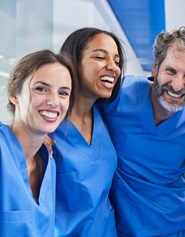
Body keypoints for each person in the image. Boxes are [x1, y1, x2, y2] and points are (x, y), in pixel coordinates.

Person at [101, 28, 185, 236]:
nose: (177, 85)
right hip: (123, 227)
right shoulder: (118, 96)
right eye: (171, 71)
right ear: (155, 67)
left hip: (177, 227)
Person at [0, 50, 74, 236]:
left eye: (63, 93)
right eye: (41, 89)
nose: (54, 101)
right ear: (14, 94)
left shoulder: (48, 162)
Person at [49, 27, 125, 236]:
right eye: (101, 57)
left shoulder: (105, 117)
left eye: (117, 62)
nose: (113, 68)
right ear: (73, 62)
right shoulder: (48, 129)